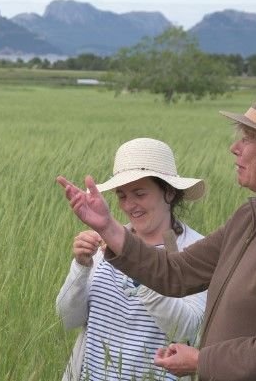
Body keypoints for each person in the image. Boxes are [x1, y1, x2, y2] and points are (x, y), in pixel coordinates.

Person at [56, 84, 256, 380]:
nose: (235, 147)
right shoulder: (252, 215)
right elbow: (176, 271)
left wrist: (203, 361)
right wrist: (108, 227)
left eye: (249, 138)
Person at [56, 138, 208, 381]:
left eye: (140, 194)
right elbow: (68, 318)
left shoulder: (196, 250)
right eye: (122, 196)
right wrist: (81, 266)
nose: (130, 205)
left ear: (168, 192)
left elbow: (188, 331)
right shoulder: (102, 244)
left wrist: (139, 271)